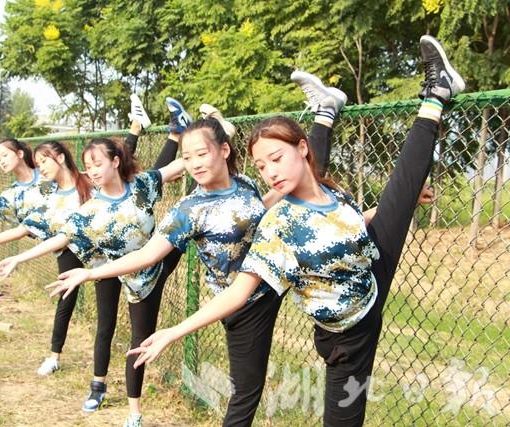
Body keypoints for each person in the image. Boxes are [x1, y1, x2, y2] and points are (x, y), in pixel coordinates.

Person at [122, 35, 464, 427]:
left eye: (276, 158)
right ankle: (349, 109)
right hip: (346, 336)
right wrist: (175, 331)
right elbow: (238, 291)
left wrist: (398, 206)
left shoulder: (332, 192)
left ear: (302, 149)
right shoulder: (278, 226)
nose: (270, 172)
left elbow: (348, 226)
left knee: (400, 193)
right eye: (262, 166)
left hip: (371, 274)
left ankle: (436, 92)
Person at [43, 82, 348, 425]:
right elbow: (148, 255)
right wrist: (90, 273)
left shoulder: (245, 183)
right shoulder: (189, 210)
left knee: (307, 179)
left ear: (224, 150)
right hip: (245, 304)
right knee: (247, 392)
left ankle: (325, 112)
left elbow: (257, 211)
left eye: (201, 154)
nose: (194, 164)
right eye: (186, 158)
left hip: (276, 274)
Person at [0, 95, 152, 377]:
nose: (42, 167)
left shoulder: (90, 180)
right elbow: (23, 229)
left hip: (102, 252)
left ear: (60, 158)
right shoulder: (47, 193)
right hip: (69, 246)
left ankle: (138, 126)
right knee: (65, 298)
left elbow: (120, 167)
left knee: (106, 319)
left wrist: (133, 134)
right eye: (39, 163)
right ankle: (54, 356)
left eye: (44, 161)